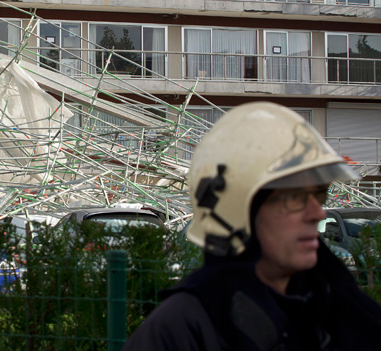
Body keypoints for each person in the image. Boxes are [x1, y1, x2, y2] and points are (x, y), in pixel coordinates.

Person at [123, 102, 381, 351]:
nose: (317, 212)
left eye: (319, 194)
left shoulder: (334, 309)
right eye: (294, 198)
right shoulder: (182, 330)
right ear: (237, 213)